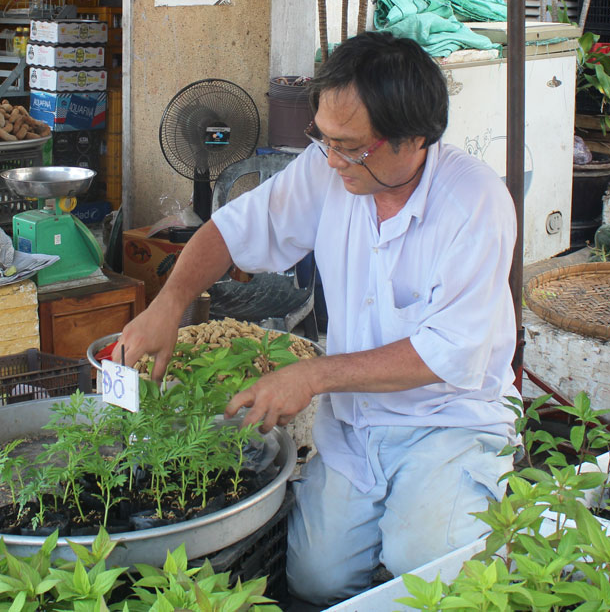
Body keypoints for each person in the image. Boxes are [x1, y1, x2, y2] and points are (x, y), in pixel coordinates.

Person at [113, 31, 519, 608]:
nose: (331, 159)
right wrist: (168, 304)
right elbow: (231, 230)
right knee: (315, 581)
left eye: (350, 146)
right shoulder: (330, 168)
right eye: (323, 139)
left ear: (413, 138)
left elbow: (449, 352)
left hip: (448, 420)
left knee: (425, 573)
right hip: (355, 426)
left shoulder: (475, 202)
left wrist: (312, 376)